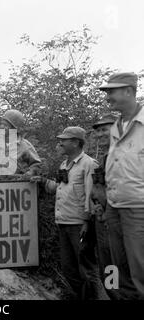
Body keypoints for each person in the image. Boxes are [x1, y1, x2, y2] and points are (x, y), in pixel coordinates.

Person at [31, 126, 99, 299]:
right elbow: (59, 188)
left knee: (87, 268)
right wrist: (43, 181)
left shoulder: (89, 164)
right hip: (63, 222)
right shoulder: (64, 164)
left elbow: (92, 195)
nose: (60, 143)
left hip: (80, 225)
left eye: (64, 140)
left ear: (76, 142)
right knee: (69, 269)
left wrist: (87, 222)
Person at [98, 72, 144, 299]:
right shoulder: (116, 126)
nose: (108, 98)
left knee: (140, 271)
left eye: (111, 92)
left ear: (128, 90)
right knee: (120, 269)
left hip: (138, 208)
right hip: (114, 207)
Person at [90, 113, 120, 300]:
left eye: (104, 129)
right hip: (102, 221)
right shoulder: (104, 158)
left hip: (117, 223)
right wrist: (96, 204)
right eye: (98, 131)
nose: (100, 134)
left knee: (118, 268)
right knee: (107, 268)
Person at [0, 109, 42, 180]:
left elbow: (36, 164)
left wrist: (29, 174)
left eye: (6, 125)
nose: (2, 127)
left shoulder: (24, 145)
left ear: (14, 128)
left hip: (18, 186)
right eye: (1, 124)